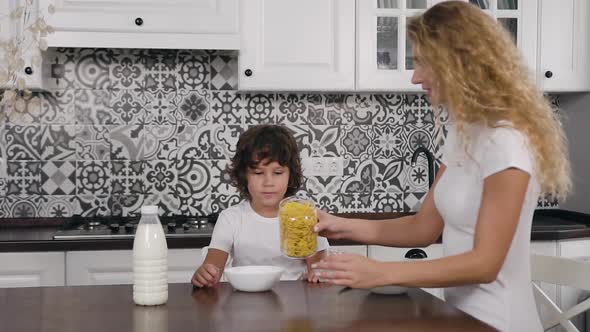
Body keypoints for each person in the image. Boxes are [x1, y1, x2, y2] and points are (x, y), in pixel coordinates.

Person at [312, 2, 571, 331]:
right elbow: (423, 227)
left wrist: (382, 272)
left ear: (458, 63)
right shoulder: (466, 134)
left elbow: (486, 264)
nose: (415, 76)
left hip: (500, 323)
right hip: (461, 320)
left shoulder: (507, 142)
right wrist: (341, 224)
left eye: (422, 62)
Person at [191, 124, 328, 288]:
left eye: (277, 173)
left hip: (295, 303)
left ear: (290, 174)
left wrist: (318, 273)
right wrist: (205, 274)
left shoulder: (304, 215)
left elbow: (319, 268)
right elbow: (213, 267)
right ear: (244, 175)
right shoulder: (231, 218)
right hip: (245, 303)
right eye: (258, 173)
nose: (268, 182)